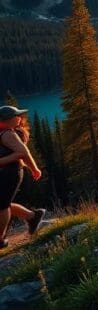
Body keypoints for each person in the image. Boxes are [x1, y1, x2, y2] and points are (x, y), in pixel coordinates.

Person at [0, 105, 45, 249]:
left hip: (10, 173)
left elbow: (22, 152)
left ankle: (0, 239)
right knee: (3, 203)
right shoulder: (4, 132)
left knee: (2, 205)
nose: (19, 118)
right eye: (16, 116)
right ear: (6, 120)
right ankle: (33, 216)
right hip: (6, 172)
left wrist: (35, 169)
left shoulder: (7, 133)